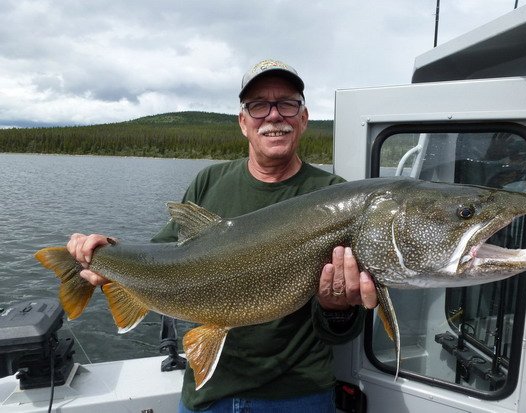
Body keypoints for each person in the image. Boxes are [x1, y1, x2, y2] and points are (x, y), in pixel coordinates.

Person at [67, 59, 378, 413]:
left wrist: (337, 310)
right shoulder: (209, 182)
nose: (274, 116)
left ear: (304, 118)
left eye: (288, 103)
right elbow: (162, 257)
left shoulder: (334, 196)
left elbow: (340, 332)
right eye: (259, 106)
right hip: (206, 393)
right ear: (243, 123)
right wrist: (109, 253)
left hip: (297, 393)